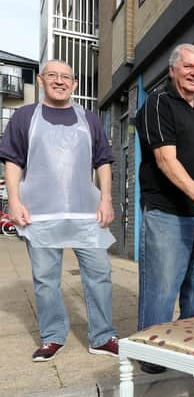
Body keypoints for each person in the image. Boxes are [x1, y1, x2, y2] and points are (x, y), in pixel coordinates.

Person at [0, 59, 118, 361]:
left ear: (75, 84)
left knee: (99, 274)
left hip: (85, 213)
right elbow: (13, 160)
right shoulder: (25, 117)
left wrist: (106, 198)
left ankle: (102, 337)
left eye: (66, 77)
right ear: (41, 80)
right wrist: (14, 200)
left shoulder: (89, 119)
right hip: (39, 213)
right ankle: (53, 336)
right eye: (52, 75)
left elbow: (103, 160)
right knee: (45, 278)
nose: (59, 81)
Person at [136, 43, 194, 374]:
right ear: (172, 70)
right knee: (161, 288)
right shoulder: (158, 103)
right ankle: (153, 356)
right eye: (188, 66)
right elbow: (165, 159)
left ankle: (186, 347)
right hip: (167, 213)